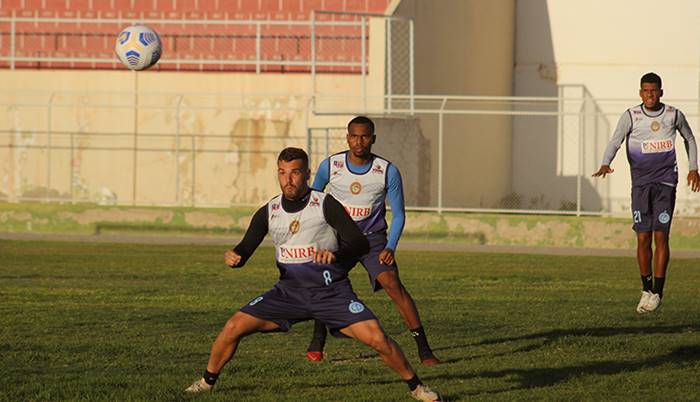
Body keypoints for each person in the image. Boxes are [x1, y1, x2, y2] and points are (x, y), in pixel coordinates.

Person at [185, 147, 441, 402]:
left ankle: (417, 388)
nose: (288, 179)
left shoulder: (325, 204)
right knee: (233, 327)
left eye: (295, 173)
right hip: (288, 294)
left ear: (307, 174)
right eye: (282, 173)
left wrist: (335, 255)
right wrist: (235, 256)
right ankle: (206, 382)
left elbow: (360, 244)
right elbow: (246, 247)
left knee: (377, 338)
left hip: (331, 293)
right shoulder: (270, 210)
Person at [305, 116, 440, 365]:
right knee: (324, 281)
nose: (359, 142)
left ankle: (424, 349)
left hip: (372, 240)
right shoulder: (330, 166)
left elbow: (399, 215)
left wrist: (391, 246)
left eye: (365, 136)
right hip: (339, 239)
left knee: (392, 284)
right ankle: (317, 341)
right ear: (347, 138)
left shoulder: (387, 171)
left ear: (373, 139)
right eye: (354, 136)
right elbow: (313, 202)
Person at [593, 72, 699, 313]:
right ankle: (646, 289)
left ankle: (658, 292)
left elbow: (690, 138)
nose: (650, 94)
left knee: (661, 236)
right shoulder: (631, 116)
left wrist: (694, 168)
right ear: (640, 93)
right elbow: (616, 141)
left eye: (654, 90)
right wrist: (606, 162)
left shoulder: (673, 114)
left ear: (661, 92)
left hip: (665, 184)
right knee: (643, 238)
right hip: (640, 185)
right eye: (646, 90)